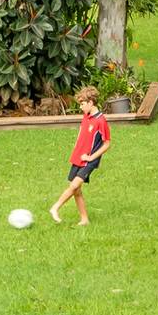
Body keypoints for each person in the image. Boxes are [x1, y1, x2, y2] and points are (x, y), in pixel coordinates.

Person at [48, 85, 112, 225]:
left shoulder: (101, 121)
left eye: (82, 104)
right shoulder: (86, 116)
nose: (81, 107)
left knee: (74, 185)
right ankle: (84, 219)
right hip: (78, 157)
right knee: (77, 190)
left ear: (91, 103)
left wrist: (91, 157)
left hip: (89, 161)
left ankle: (55, 207)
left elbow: (107, 143)